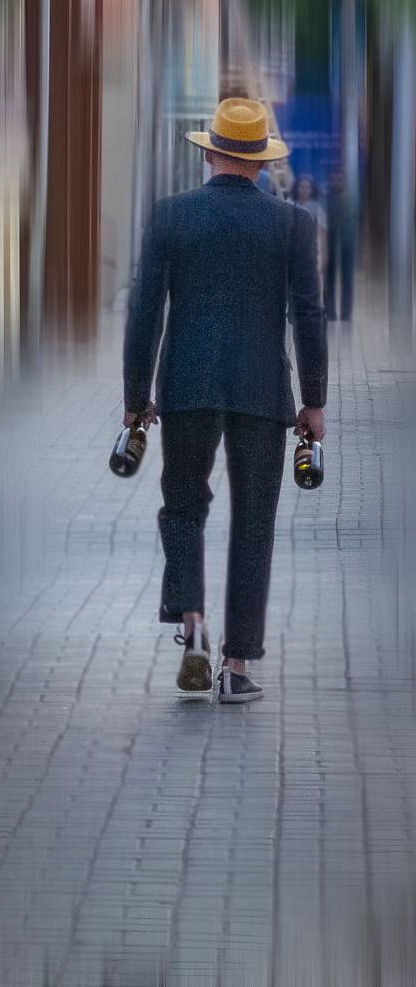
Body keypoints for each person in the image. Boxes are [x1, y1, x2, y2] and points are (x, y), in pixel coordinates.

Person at [123, 98, 328, 704]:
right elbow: (309, 316)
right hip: (262, 389)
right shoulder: (293, 224)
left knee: (184, 506)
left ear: (211, 154)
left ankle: (192, 627)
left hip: (187, 386)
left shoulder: (170, 217)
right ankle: (236, 668)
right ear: (260, 163)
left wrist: (136, 398)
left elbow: (144, 312)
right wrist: (313, 401)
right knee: (255, 524)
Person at [324, 168, 356, 322]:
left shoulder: (352, 199)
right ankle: (330, 313)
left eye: (339, 180)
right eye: (333, 180)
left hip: (347, 244)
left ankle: (346, 314)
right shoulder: (325, 199)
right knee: (329, 280)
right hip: (329, 245)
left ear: (345, 182)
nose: (336, 183)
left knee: (347, 280)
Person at [288, 174, 327, 285]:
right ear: (296, 187)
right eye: (302, 187)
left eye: (308, 187)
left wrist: (324, 255)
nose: (305, 190)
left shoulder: (315, 206)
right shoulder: (289, 204)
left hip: (311, 252)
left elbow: (322, 231)